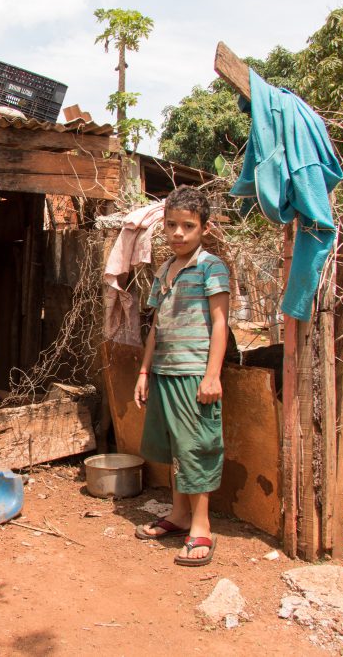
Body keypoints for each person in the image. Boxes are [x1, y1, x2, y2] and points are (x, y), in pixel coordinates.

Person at [133, 186, 231, 567]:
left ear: (204, 228)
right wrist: (144, 370)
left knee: (196, 449)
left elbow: (221, 325)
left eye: (187, 226)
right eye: (171, 225)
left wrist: (212, 376)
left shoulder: (211, 267)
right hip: (164, 371)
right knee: (174, 447)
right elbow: (156, 326)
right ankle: (178, 515)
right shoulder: (164, 270)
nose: (178, 233)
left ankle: (201, 527)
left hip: (194, 374)